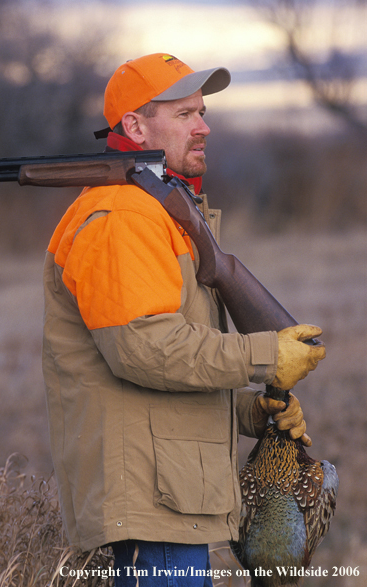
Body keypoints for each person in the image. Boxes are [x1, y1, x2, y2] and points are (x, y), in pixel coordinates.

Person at [42, 53, 326, 585]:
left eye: (202, 111)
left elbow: (163, 366)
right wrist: (264, 354)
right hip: (148, 516)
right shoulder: (121, 218)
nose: (205, 126)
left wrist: (251, 412)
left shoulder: (159, 208)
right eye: (185, 115)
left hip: (165, 502)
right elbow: (143, 349)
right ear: (134, 125)